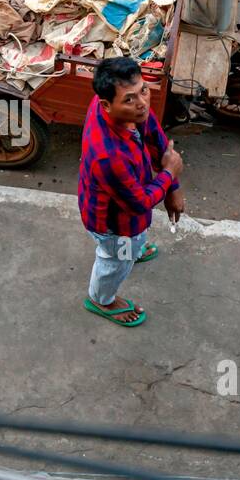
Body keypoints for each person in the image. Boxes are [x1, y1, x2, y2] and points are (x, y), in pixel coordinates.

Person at [77, 57, 186, 327]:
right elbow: (138, 203)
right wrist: (169, 174)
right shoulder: (109, 155)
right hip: (115, 225)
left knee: (133, 243)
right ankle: (101, 299)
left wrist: (173, 187)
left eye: (144, 90)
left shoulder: (126, 110)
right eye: (130, 99)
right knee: (115, 260)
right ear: (106, 105)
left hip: (125, 213)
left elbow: (155, 135)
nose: (142, 103)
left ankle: (135, 249)